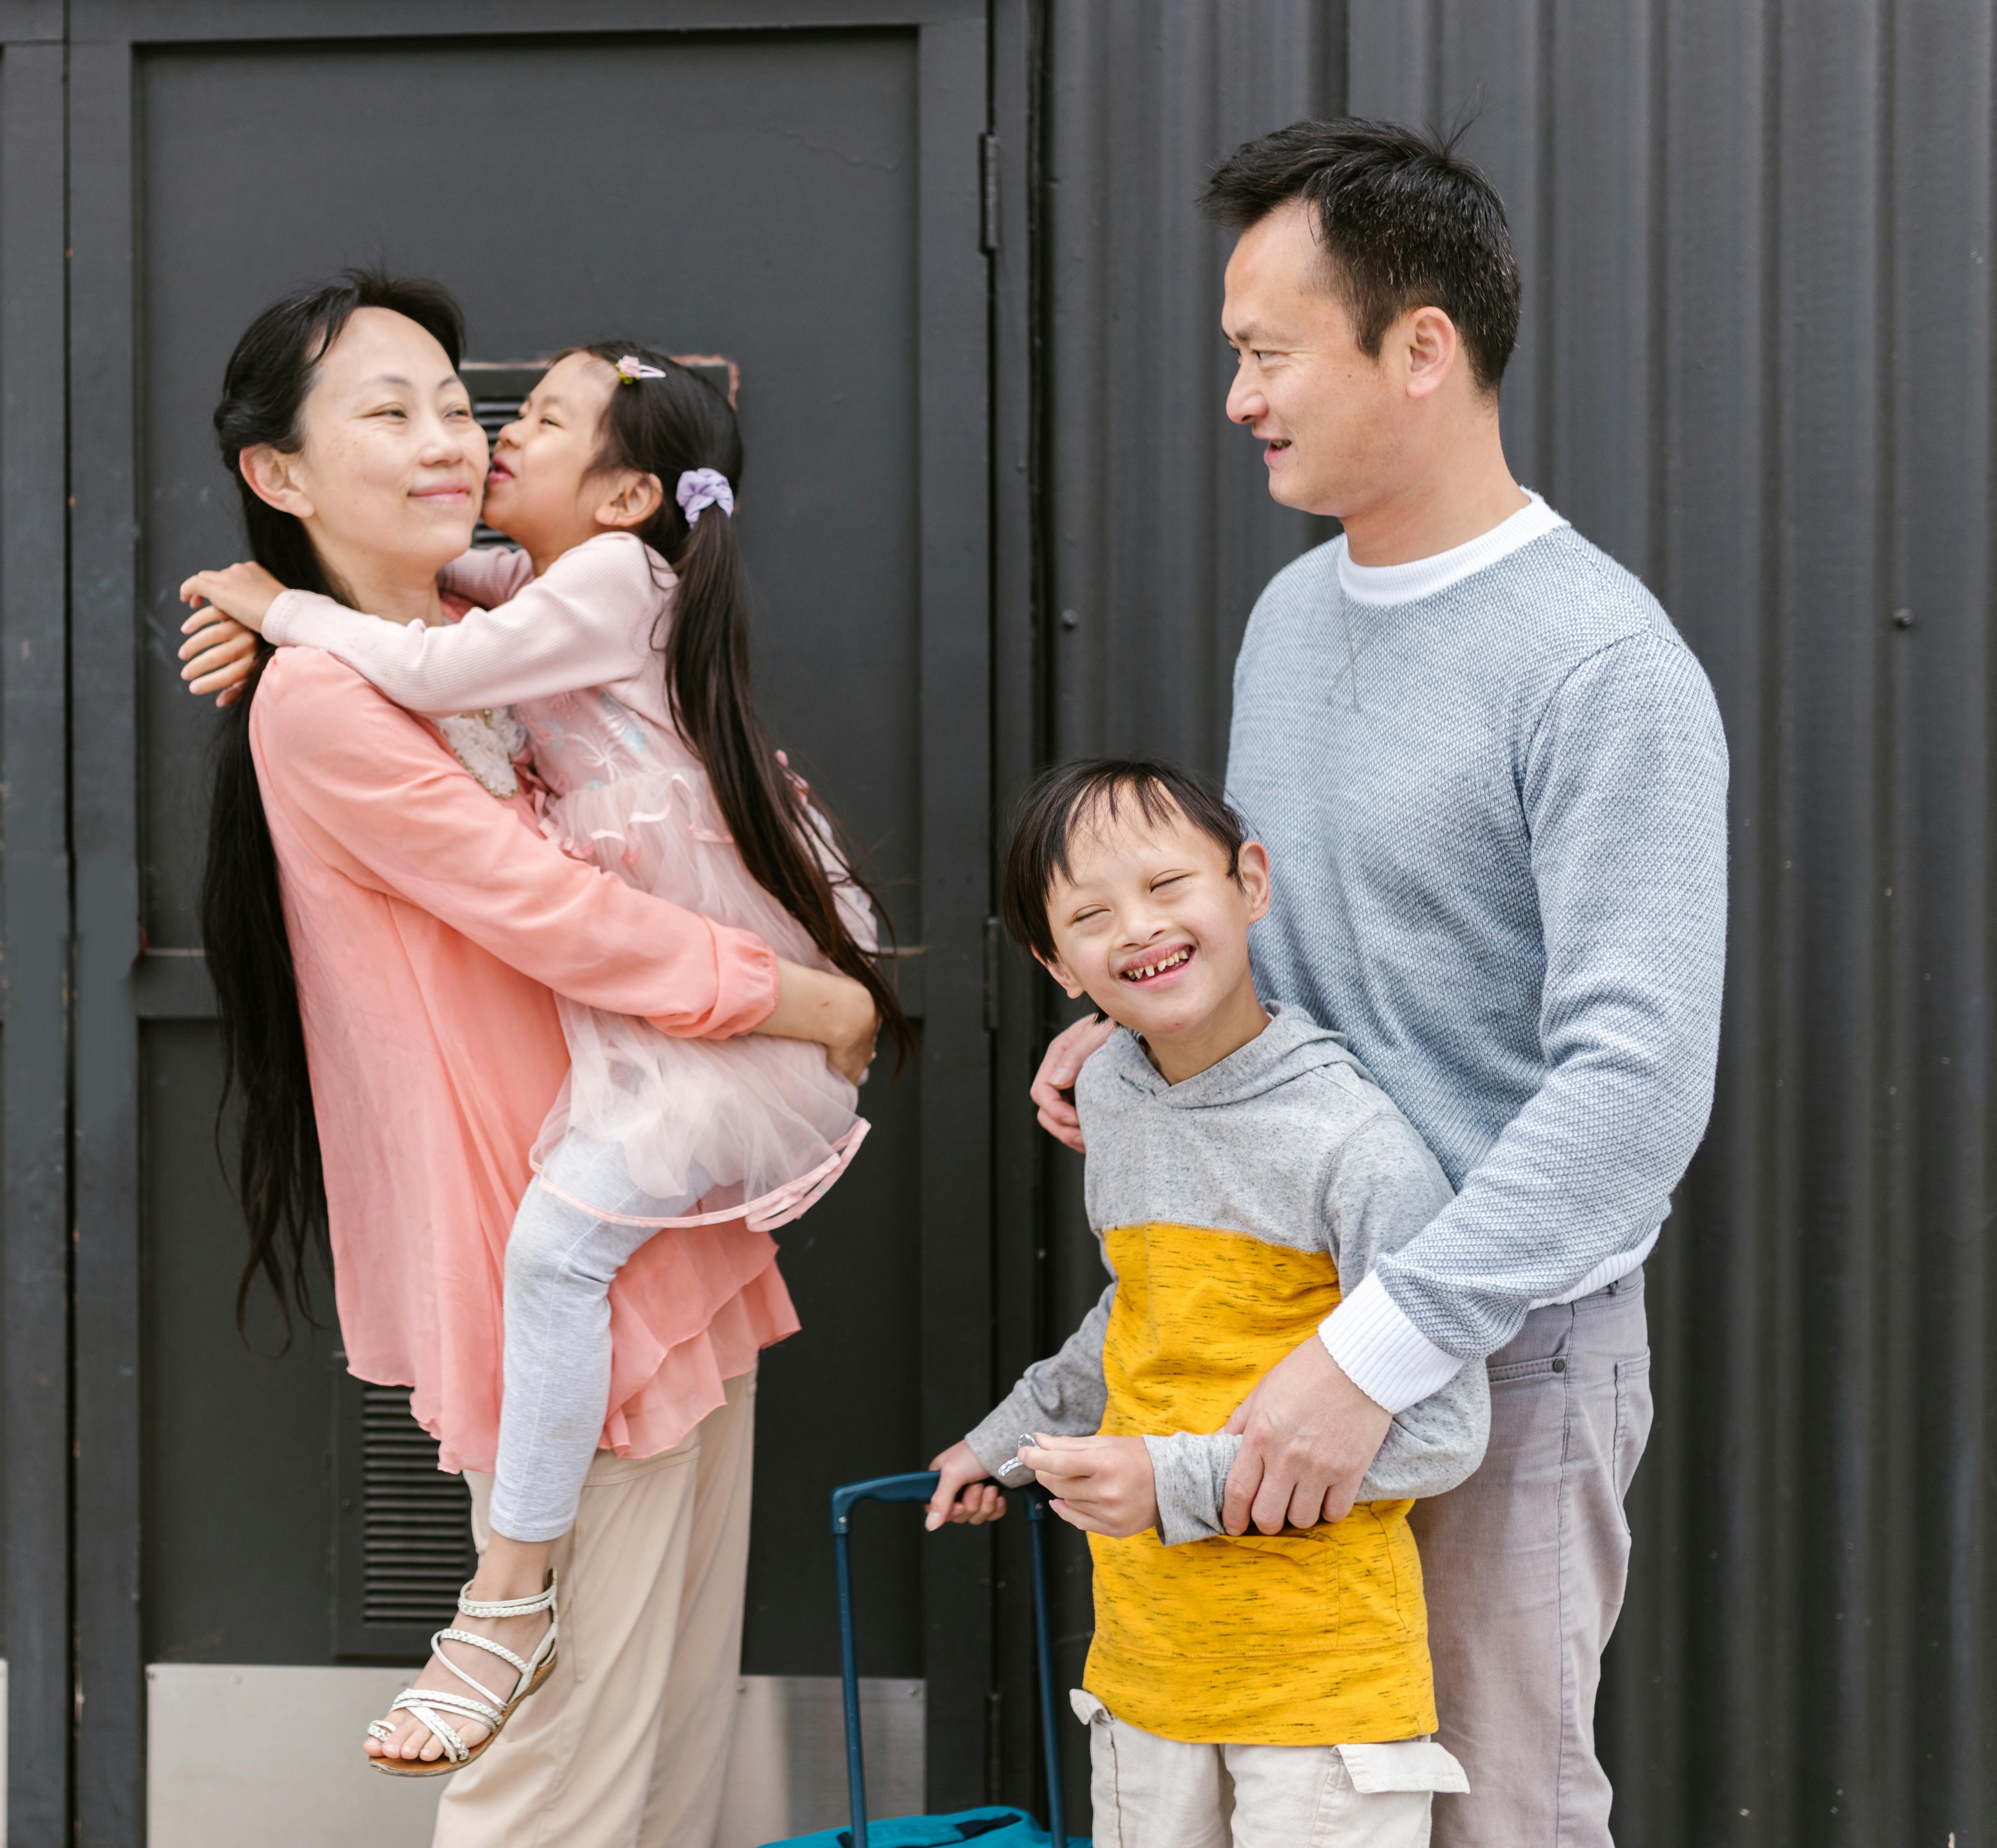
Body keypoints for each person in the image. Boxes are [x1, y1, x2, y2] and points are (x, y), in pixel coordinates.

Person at [1026, 122, 1728, 1846]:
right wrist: (1139, 1021)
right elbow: (1306, 948)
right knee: (1269, 1786)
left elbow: (1636, 1090)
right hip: (1261, 1323)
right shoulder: (1292, 616)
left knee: (1497, 1806)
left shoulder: (1600, 664)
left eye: (1267, 354)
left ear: (1420, 349)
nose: (1239, 397)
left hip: (1495, 1347)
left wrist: (1377, 1348)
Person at [181, 272, 878, 1844]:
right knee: (564, 1781)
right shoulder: (330, 696)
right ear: (276, 476)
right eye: (388, 410)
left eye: (457, 405)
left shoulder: (476, 621)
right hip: (557, 1232)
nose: (449, 440)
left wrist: (267, 601)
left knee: (665, 1736)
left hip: (652, 1212)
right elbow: (548, 913)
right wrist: (803, 999)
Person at [927, 758, 1483, 1845]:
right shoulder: (1111, 1092)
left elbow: (1443, 1434)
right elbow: (1139, 1310)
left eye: (1167, 885)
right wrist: (1002, 1440)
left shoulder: (1355, 1145)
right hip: (1145, 1675)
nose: (1136, 928)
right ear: (1054, 961)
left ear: (1250, 885)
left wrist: (1168, 1481)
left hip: (1321, 1700)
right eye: (1089, 913)